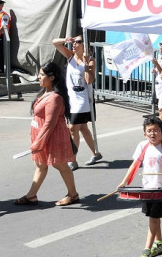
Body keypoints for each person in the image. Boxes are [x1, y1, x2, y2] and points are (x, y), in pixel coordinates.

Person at [14, 62, 80, 207]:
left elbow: (50, 123)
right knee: (40, 164)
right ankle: (31, 196)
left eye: (42, 75)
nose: (38, 77)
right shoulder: (45, 92)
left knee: (60, 165)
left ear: (52, 78)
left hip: (52, 136)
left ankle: (73, 194)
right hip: (41, 134)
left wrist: (39, 142)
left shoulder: (55, 97)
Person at [118, 117, 162, 257]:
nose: (153, 133)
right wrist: (124, 181)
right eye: (149, 131)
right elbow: (134, 165)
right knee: (153, 217)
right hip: (146, 188)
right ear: (144, 134)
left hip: (161, 189)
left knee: (153, 217)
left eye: (156, 130)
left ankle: (146, 250)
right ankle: (159, 243)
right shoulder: (142, 146)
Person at [53, 36, 100, 170]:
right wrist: (65, 40)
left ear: (84, 45)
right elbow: (55, 43)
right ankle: (96, 153)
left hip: (82, 100)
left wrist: (86, 67)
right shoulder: (70, 56)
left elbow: (89, 80)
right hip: (71, 98)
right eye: (74, 42)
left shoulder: (91, 61)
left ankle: (73, 160)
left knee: (73, 129)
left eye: (78, 42)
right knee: (83, 128)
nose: (74, 44)